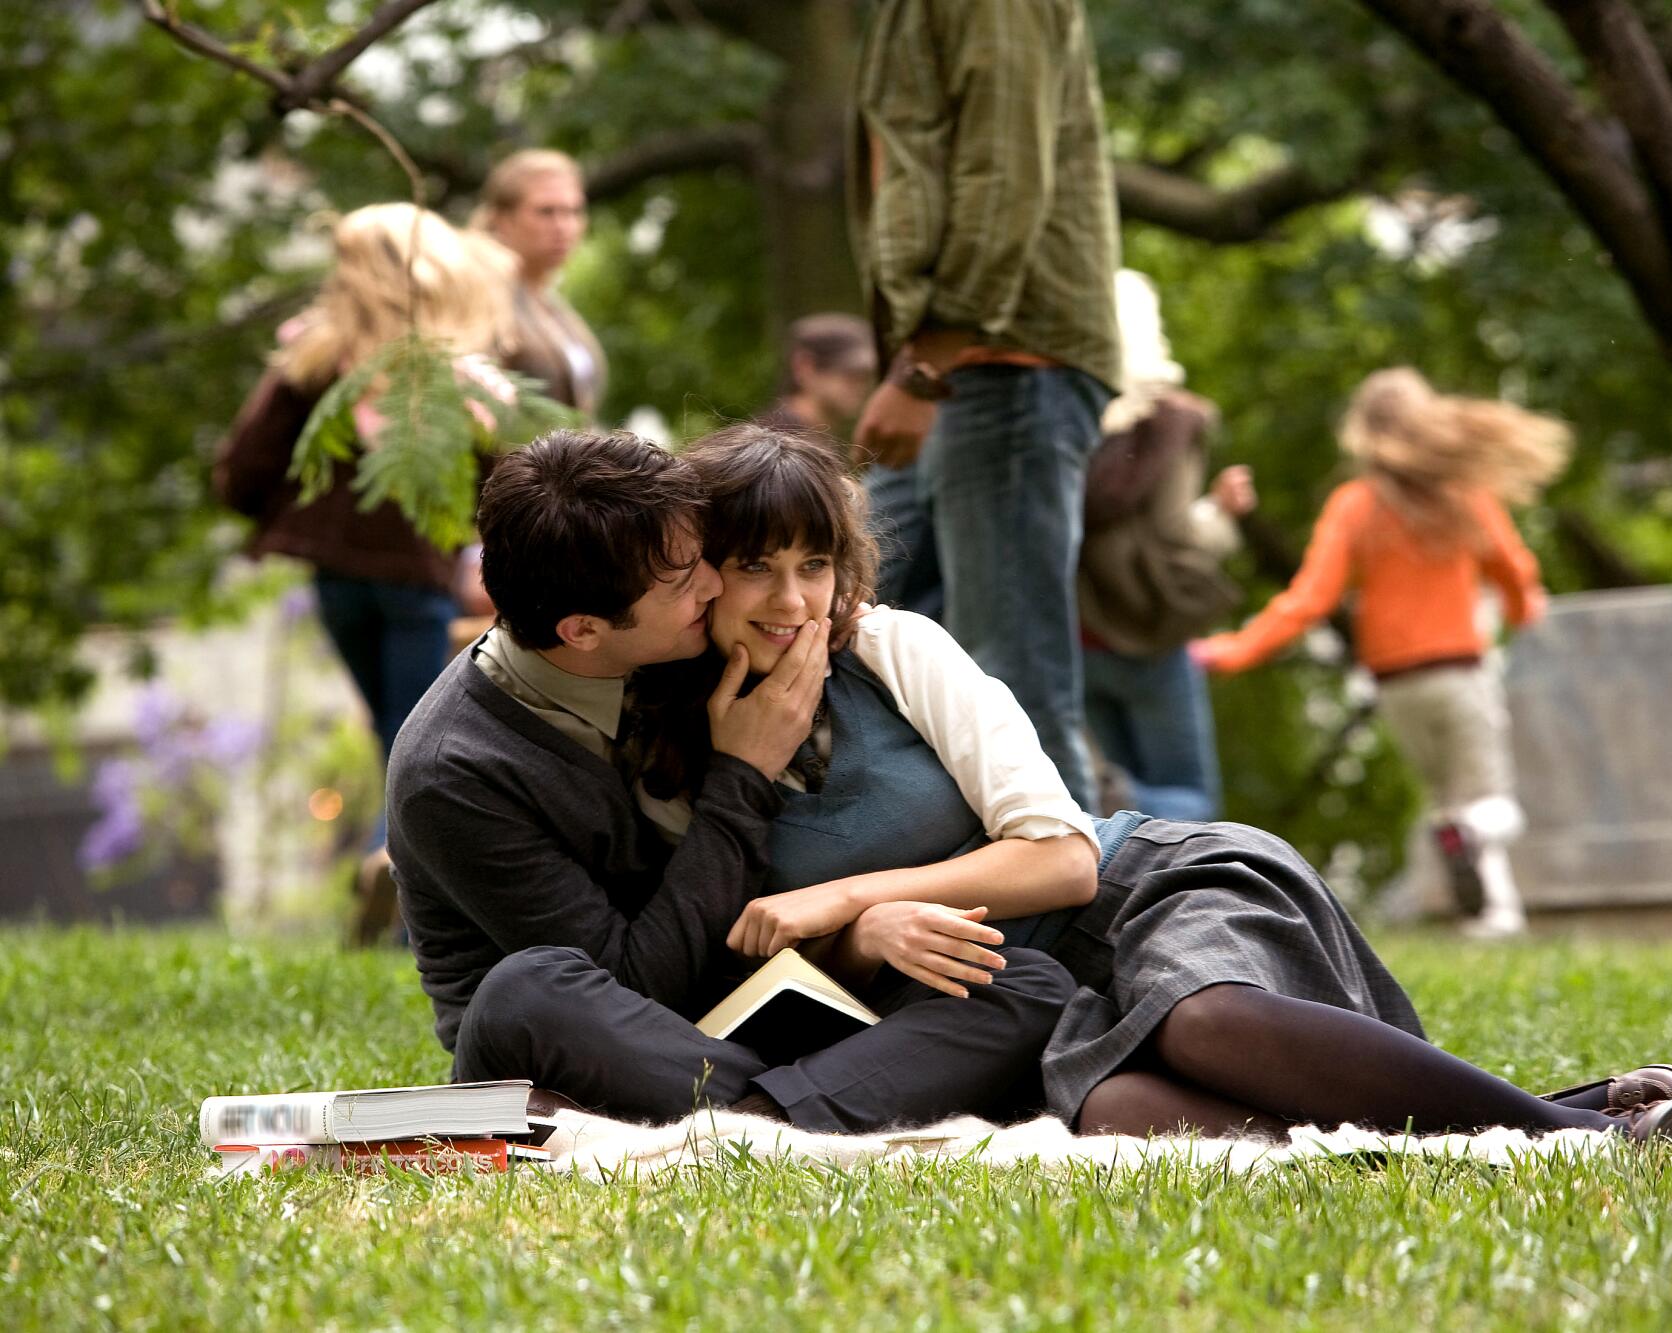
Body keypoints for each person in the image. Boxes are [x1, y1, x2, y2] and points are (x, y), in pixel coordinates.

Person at [637, 426, 1672, 1144]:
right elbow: (741, 945)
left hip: (1136, 889)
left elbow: (1060, 856)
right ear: (699, 572)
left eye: (813, 565)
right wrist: (860, 927)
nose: (790, 599)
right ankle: (1560, 1112)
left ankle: (1578, 1139)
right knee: (1120, 1116)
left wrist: (841, 898)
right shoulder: (675, 752)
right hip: (1029, 1001)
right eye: (755, 565)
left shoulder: (894, 647)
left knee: (1200, 1021)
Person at [384, 429, 1075, 1131]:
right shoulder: (454, 772)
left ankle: (760, 1119)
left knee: (1025, 984)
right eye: (686, 582)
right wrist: (743, 772)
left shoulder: (664, 659)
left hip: (758, 1016)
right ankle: (794, 1112)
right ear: (584, 630)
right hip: (613, 1037)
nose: (714, 585)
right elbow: (633, 983)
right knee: (525, 990)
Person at [213, 203, 518, 940]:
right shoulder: (458, 380)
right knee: (413, 731)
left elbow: (242, 469)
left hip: (335, 578)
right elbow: (507, 484)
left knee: (391, 723)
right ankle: (403, 876)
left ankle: (397, 879)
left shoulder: (312, 362)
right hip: (416, 580)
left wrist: (288, 506)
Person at [848, 0, 1123, 807]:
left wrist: (926, 366)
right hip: (960, 357)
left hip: (1002, 360)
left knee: (1015, 687)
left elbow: (1003, 175)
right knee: (851, 625)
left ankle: (1095, 919)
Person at [1194, 368, 1569, 939]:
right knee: (1489, 804)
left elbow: (1309, 599)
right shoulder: (1466, 497)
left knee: (1449, 800)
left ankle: (1494, 918)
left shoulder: (1355, 504)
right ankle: (1474, 847)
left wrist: (1235, 649)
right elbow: (1513, 568)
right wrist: (1522, 609)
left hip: (1397, 685)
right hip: (1460, 675)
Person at [1077, 270, 1256, 821]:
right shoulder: (1171, 423)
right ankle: (1104, 794)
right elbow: (1174, 535)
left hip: (1078, 636)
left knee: (1135, 817)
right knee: (1193, 802)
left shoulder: (1065, 415)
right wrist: (1222, 515)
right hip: (1149, 633)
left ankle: (1109, 797)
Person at [469, 149, 605, 418]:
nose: (563, 226)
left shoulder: (550, 302)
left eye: (573, 211)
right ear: (501, 219)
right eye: (546, 211)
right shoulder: (478, 295)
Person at [756, 313, 878, 444]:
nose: (861, 384)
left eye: (865, 374)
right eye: (850, 373)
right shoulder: (774, 443)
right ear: (804, 367)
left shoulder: (815, 436)